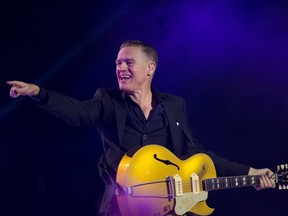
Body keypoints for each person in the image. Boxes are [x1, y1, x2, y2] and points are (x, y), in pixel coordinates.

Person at [7, 40, 275, 216]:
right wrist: (39, 93)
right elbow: (77, 112)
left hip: (168, 210)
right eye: (117, 63)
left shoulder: (174, 106)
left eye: (128, 62)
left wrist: (251, 173)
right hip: (122, 208)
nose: (120, 67)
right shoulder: (108, 101)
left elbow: (198, 156)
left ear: (150, 68)